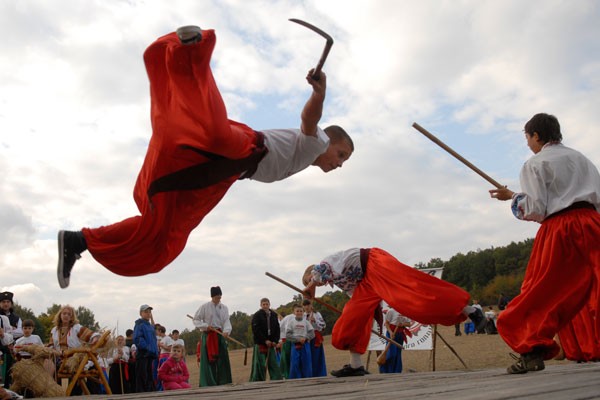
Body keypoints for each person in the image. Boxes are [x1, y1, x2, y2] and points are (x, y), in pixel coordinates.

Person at [56, 24, 354, 289]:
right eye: (341, 154)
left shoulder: (306, 155)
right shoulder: (318, 142)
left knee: (168, 230)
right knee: (213, 132)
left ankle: (78, 240)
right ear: (332, 141)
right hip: (245, 148)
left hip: (226, 174)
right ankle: (190, 52)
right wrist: (319, 95)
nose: (339, 163)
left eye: (343, 161)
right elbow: (310, 120)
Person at [489, 113, 600, 374]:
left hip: (562, 229)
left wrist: (514, 200)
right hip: (593, 224)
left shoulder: (535, 164)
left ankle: (532, 349)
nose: (528, 143)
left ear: (536, 135)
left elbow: (536, 208)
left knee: (541, 290)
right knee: (592, 289)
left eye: (527, 138)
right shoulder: (582, 159)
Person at [302, 247, 476, 377]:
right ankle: (355, 365)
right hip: (368, 283)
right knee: (354, 316)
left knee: (410, 292)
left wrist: (311, 285)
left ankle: (468, 309)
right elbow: (354, 295)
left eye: (308, 280)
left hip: (374, 263)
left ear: (311, 271)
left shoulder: (326, 263)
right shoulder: (338, 281)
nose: (312, 283)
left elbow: (320, 272)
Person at [192, 286, 232, 386]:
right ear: (212, 296)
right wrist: (205, 326)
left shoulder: (224, 308)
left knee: (222, 359)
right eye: (216, 297)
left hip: (219, 335)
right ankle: (209, 382)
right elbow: (195, 319)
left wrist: (227, 331)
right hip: (208, 335)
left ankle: (224, 381)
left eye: (220, 297)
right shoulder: (205, 307)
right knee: (208, 360)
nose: (218, 299)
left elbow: (226, 321)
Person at [249, 298, 282, 382]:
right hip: (260, 343)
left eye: (267, 304)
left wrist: (275, 340)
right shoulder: (257, 315)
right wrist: (265, 340)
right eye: (263, 304)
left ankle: (276, 379)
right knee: (260, 364)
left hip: (271, 343)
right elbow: (256, 330)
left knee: (273, 363)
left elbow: (277, 329)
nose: (265, 306)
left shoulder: (274, 315)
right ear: (260, 305)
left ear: (269, 304)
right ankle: (258, 381)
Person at [133, 304, 158, 392]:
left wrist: (154, 350)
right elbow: (137, 338)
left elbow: (153, 340)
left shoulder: (150, 326)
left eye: (149, 312)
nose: (148, 313)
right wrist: (147, 347)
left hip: (150, 354)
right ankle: (142, 395)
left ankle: (150, 393)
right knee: (142, 376)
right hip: (143, 354)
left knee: (149, 376)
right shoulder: (139, 324)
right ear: (141, 313)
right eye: (146, 312)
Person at [378, 308, 411, 374]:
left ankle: (397, 371)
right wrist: (390, 332)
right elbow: (387, 323)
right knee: (392, 353)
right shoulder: (391, 311)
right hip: (391, 333)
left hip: (400, 334)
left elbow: (409, 324)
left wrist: (402, 324)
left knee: (398, 353)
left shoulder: (406, 310)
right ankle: (385, 371)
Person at [285, 304, 314, 379]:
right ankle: (295, 380)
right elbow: (288, 335)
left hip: (305, 345)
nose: (299, 312)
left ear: (303, 312)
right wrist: (297, 339)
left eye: (301, 311)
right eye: (297, 311)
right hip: (295, 345)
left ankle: (307, 379)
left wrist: (306, 338)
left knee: (306, 363)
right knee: (295, 363)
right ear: (294, 312)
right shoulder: (291, 322)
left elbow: (312, 333)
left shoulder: (306, 322)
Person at [0, 291, 22, 387]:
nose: (5, 304)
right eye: (3, 302)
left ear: (11, 303)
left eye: (8, 302)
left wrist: (6, 333)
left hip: (11, 348)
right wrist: (12, 330)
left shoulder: (16, 318)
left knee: (10, 370)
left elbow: (21, 331)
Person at [302, 299, 327, 377]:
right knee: (307, 357)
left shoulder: (317, 314)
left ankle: (319, 374)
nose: (307, 307)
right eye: (305, 305)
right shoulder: (302, 315)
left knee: (316, 356)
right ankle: (309, 374)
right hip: (306, 338)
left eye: (308, 305)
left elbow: (323, 325)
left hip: (315, 337)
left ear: (311, 305)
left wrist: (315, 321)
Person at [278, 312, 295, 379]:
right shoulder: (284, 320)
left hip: (287, 340)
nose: (279, 318)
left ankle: (286, 373)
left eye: (279, 317)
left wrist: (280, 341)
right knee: (285, 357)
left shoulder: (287, 319)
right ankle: (285, 373)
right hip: (286, 340)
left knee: (286, 358)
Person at [125, 328, 137, 393]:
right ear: (131, 334)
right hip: (133, 362)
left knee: (127, 378)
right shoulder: (134, 342)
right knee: (133, 377)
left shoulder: (124, 342)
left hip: (126, 363)